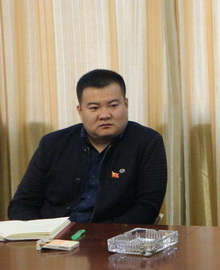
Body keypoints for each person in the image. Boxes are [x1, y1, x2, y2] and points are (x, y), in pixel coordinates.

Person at [8, 69, 167, 224]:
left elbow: (147, 208)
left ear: (125, 104)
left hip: (111, 236)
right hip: (51, 235)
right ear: (80, 111)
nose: (104, 115)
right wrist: (42, 233)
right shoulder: (52, 144)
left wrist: (98, 236)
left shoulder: (147, 142)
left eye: (113, 105)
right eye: (94, 108)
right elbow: (22, 204)